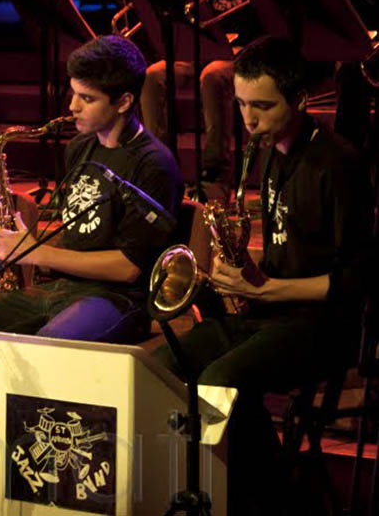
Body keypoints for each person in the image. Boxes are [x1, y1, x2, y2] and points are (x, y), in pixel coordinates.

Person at [152, 36, 374, 515]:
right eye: (241, 104)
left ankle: (246, 495)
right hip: (271, 310)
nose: (248, 120)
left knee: (220, 379)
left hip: (322, 325)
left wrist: (268, 288)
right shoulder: (267, 149)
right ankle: (248, 484)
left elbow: (357, 282)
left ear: (299, 100)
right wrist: (238, 274)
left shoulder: (339, 164)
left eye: (263, 106)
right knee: (166, 367)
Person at [0, 35, 185, 363]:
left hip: (118, 299)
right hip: (62, 289)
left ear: (123, 102)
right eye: (74, 93)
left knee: (39, 356)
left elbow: (128, 268)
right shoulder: (81, 146)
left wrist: (34, 251)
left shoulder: (154, 164)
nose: (72, 107)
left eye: (87, 98)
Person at [139, 0, 281, 196]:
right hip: (205, 42)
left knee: (214, 75)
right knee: (153, 74)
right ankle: (160, 168)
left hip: (249, 47)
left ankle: (214, 175)